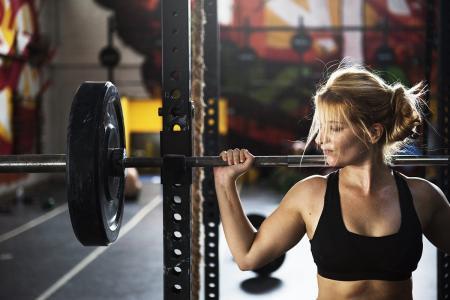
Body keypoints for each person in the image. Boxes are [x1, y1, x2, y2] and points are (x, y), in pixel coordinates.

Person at [213, 65, 450, 300]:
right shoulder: (310, 195)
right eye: (321, 128)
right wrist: (225, 183)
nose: (321, 139)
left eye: (334, 129)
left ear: (373, 133)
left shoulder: (423, 196)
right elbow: (247, 256)